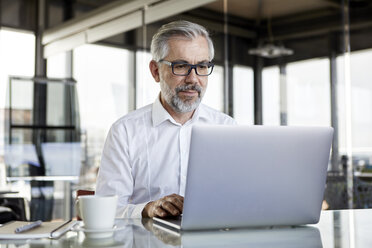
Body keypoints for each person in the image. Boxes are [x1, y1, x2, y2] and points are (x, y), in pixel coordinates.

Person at [95, 20, 236, 219]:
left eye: (202, 66)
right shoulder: (125, 132)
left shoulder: (227, 128)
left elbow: (239, 200)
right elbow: (105, 211)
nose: (193, 79)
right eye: (181, 66)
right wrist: (146, 209)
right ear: (155, 71)